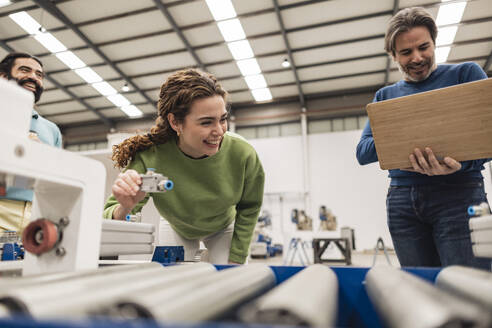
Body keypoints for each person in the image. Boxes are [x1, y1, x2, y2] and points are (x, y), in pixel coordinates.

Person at [356, 7, 491, 269]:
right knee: (419, 289)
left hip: (459, 195)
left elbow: (488, 138)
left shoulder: (465, 76)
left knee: (467, 287)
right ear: (393, 55)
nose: (417, 57)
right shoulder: (385, 97)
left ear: (434, 43)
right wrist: (404, 135)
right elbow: (363, 151)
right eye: (406, 52)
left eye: (423, 47)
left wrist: (460, 165)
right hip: (403, 202)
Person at [103, 69, 265, 264]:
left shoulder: (243, 153)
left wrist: (237, 257)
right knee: (176, 279)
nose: (219, 131)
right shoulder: (150, 157)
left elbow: (250, 207)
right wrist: (125, 207)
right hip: (176, 226)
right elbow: (109, 219)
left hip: (224, 227)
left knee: (231, 279)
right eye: (206, 122)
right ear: (175, 122)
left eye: (222, 119)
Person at [0, 52, 62, 233]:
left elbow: (55, 178)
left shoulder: (51, 129)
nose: (33, 77)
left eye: (39, 74)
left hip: (36, 215)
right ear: (3, 76)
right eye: (25, 70)